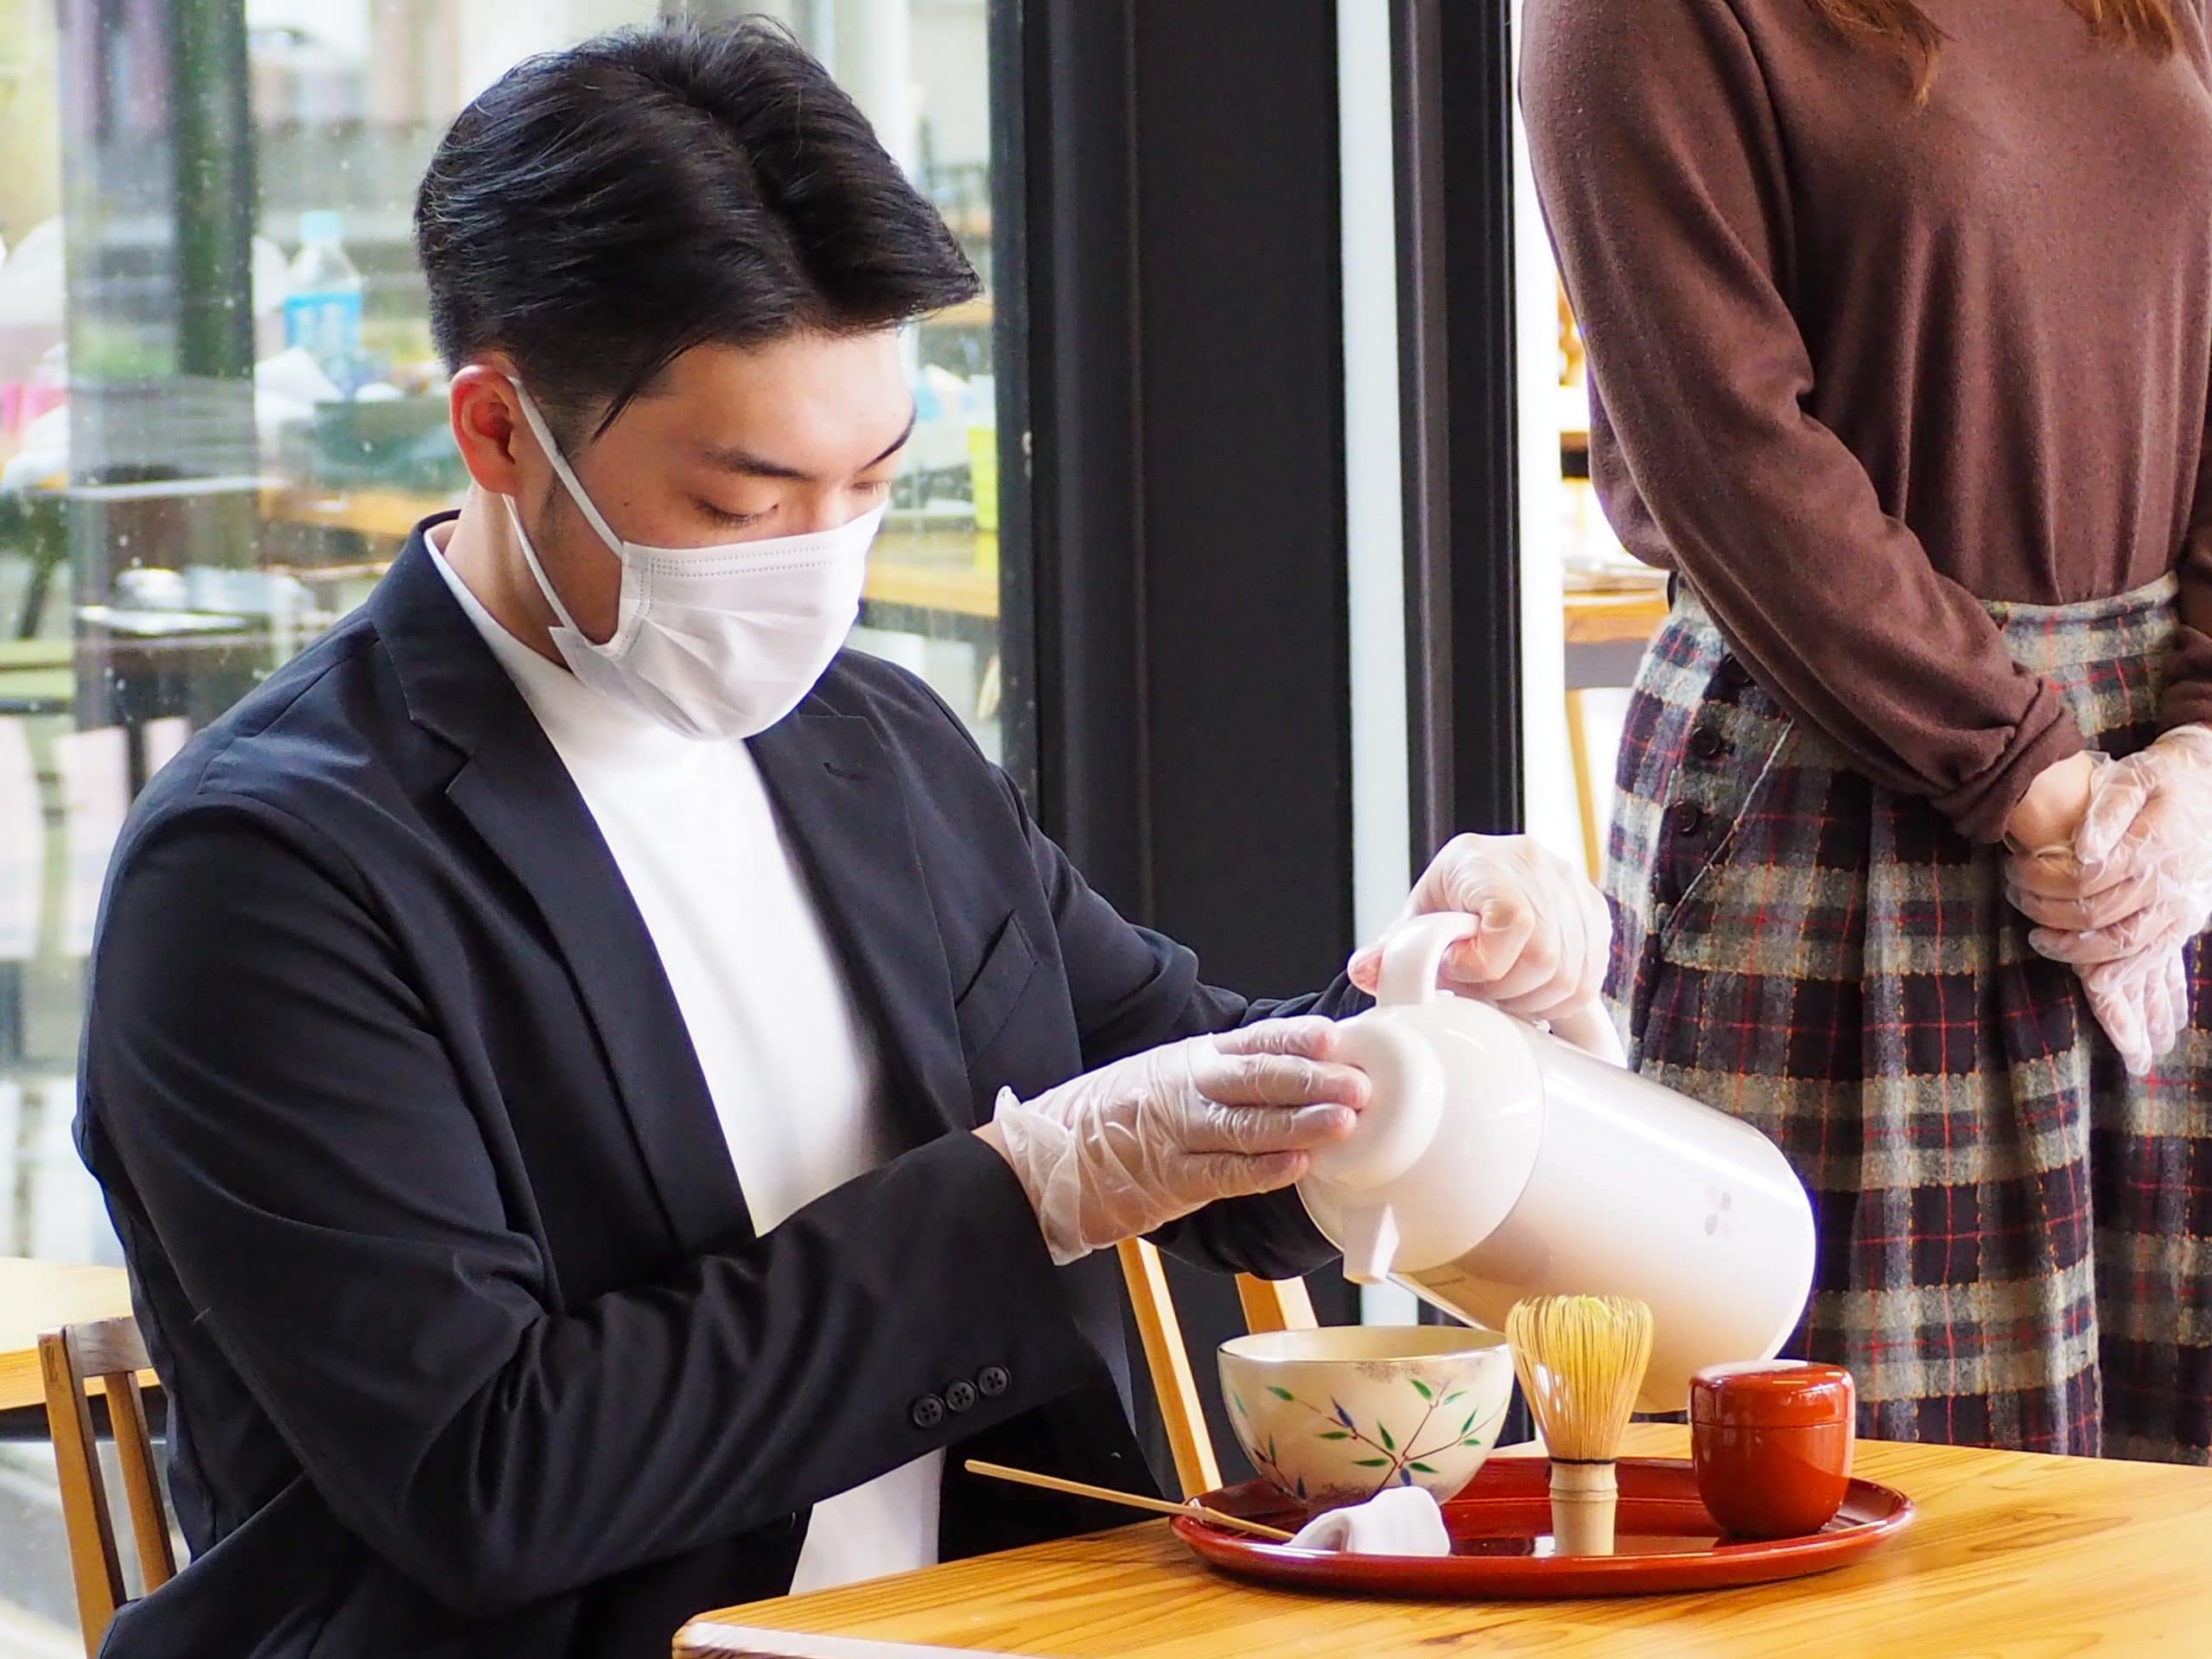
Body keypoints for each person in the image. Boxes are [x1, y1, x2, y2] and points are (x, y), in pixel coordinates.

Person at [77, 22, 1611, 1658]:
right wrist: (1032, 1193)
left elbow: (1189, 1096)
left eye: (871, 482)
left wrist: (1437, 1037)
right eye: (742, 506)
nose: (818, 563)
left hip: (974, 1626)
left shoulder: (872, 745)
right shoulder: (265, 875)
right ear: (500, 431)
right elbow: (490, 1475)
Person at [1522, 0, 2212, 1464]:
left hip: (2174, 801)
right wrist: (2040, 777)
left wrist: (2203, 758)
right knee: (1876, 1492)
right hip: (1837, 772)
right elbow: (1729, 455)